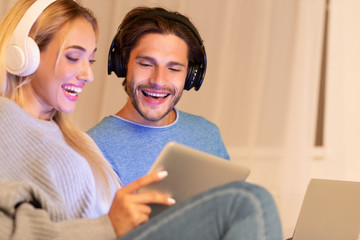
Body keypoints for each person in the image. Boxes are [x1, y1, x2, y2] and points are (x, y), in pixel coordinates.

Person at [0, 0, 282, 239]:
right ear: (24, 57)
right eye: (73, 57)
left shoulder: (68, 139)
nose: (88, 75)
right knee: (249, 201)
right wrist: (108, 225)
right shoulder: (81, 142)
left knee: (251, 203)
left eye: (90, 61)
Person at [87, 7, 230, 186]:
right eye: (146, 64)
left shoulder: (208, 134)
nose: (158, 80)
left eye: (174, 69)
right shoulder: (91, 148)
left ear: (190, 75)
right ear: (123, 64)